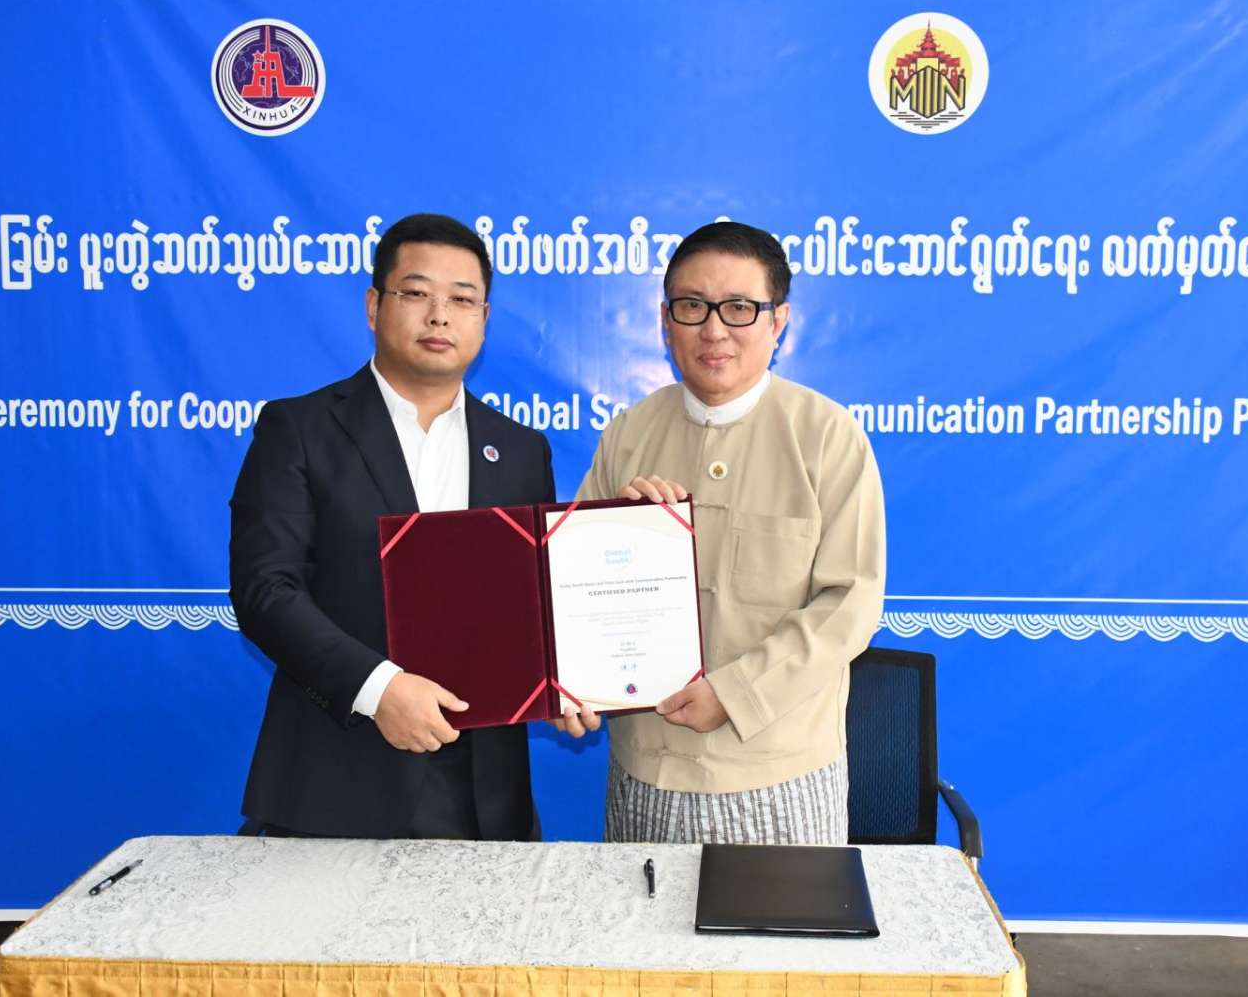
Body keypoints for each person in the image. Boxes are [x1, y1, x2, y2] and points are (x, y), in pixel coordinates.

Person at [230, 213, 554, 839]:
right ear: (374, 306)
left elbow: (532, 604)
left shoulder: (520, 450)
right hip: (339, 779)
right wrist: (380, 689)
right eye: (417, 293)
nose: (440, 316)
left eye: (462, 300)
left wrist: (569, 680)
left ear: (484, 319)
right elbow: (265, 590)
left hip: (486, 796)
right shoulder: (299, 429)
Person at [562, 220, 885, 845]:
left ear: (778, 320)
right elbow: (571, 589)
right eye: (692, 306)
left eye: (739, 308)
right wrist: (571, 681)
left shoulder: (826, 436)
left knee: (783, 917)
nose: (713, 330)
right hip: (646, 771)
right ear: (665, 320)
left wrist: (736, 694)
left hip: (779, 774)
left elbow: (850, 604)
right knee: (638, 914)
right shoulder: (628, 435)